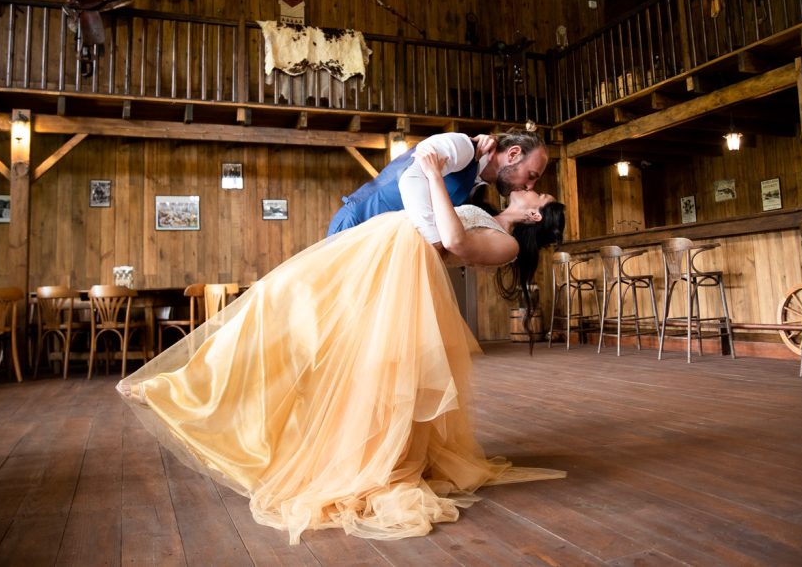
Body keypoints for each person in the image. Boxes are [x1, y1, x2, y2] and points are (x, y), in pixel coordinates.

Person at [117, 147, 566, 545]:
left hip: (399, 264)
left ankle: (192, 394)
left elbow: (453, 241)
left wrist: (430, 175)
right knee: (278, 301)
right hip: (382, 248)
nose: (534, 188)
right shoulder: (485, 207)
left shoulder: (506, 243)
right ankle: (189, 385)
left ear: (533, 218)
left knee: (329, 344)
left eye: (540, 196)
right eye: (536, 183)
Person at [326, 129, 548, 244]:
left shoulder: (477, 183)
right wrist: (435, 241)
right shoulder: (461, 145)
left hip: (384, 243)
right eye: (531, 176)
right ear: (513, 153)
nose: (530, 186)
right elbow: (410, 176)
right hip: (358, 225)